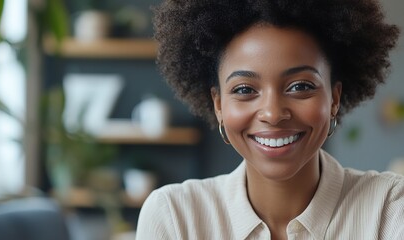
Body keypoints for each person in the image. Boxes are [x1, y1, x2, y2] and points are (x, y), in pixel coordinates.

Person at [136, 0, 403, 239]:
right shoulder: (174, 216)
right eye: (244, 90)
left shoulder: (389, 209)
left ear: (334, 98)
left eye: (300, 86)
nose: (273, 114)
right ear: (219, 105)